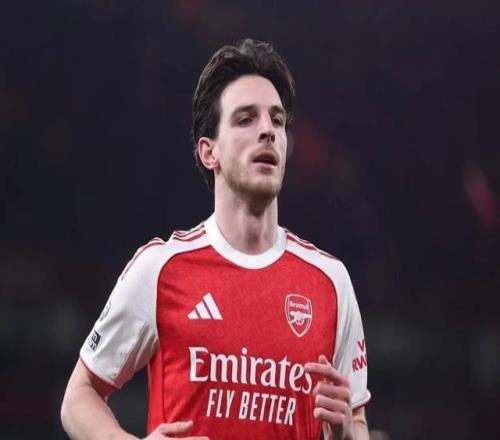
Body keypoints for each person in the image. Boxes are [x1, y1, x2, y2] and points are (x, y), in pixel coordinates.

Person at [61, 38, 370, 440]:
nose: (267, 131)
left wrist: (347, 434)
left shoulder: (331, 282)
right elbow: (79, 396)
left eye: (277, 121)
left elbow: (358, 422)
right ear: (210, 153)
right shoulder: (161, 269)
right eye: (246, 119)